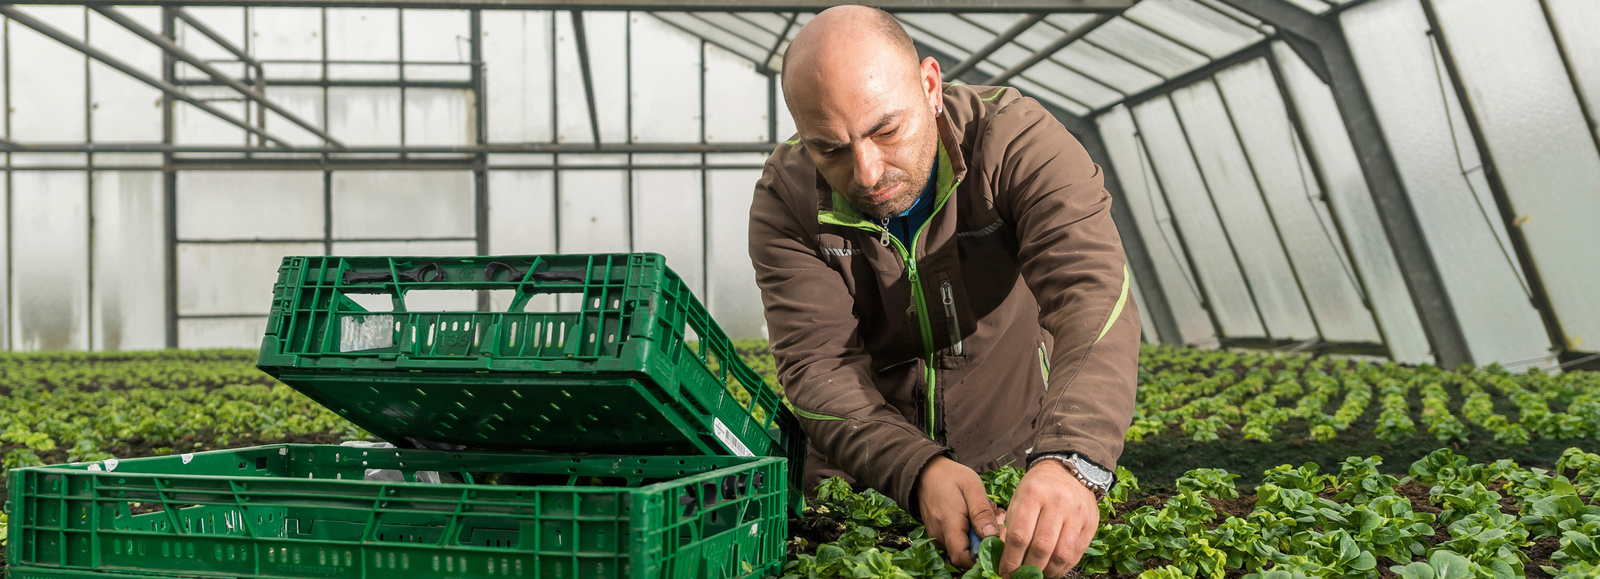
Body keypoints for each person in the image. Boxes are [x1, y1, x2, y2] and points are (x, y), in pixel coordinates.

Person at [747, 5, 1140, 579]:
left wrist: (1070, 461)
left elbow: (1092, 295)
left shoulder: (1014, 142)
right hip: (861, 482)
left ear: (930, 85)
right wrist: (916, 469)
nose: (867, 172)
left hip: (1013, 463)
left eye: (886, 129)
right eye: (829, 148)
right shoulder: (787, 197)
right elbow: (816, 363)